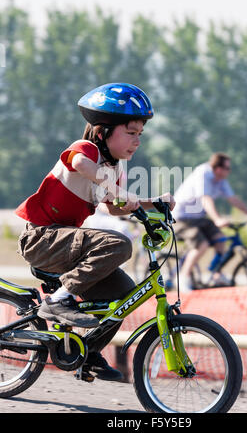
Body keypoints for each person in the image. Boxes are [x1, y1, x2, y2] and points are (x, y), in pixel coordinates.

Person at [15, 82, 175, 381]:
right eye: (130, 132)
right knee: (118, 244)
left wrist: (154, 203)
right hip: (42, 238)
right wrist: (116, 189)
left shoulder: (114, 167)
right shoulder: (86, 149)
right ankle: (57, 301)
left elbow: (115, 207)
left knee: (126, 295)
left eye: (140, 134)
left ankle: (87, 355)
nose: (137, 141)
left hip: (64, 243)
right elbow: (79, 163)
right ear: (103, 131)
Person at [173, 152, 247, 291]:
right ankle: (183, 277)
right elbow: (205, 199)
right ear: (219, 168)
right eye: (228, 168)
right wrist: (217, 219)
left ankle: (216, 274)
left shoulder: (221, 180)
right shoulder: (203, 174)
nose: (229, 171)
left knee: (221, 239)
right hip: (180, 218)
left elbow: (233, 199)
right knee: (202, 244)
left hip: (198, 218)